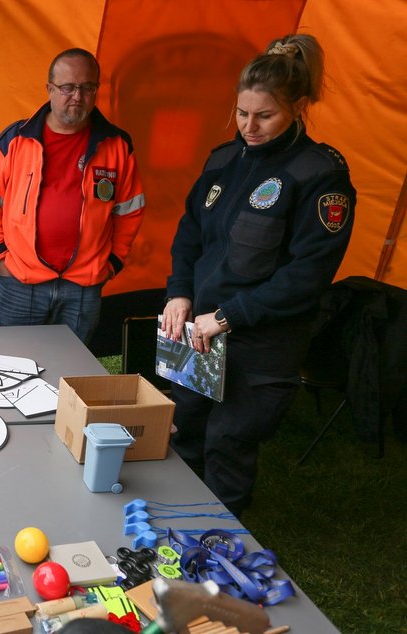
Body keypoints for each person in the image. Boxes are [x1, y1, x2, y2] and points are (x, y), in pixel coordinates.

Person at [161, 33, 355, 517]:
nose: (249, 126)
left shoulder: (320, 175)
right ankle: (173, 522)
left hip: (262, 342)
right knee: (184, 423)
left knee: (229, 440)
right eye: (242, 112)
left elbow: (307, 275)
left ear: (299, 106)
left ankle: (218, 541)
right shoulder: (223, 160)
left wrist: (227, 317)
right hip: (199, 329)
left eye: (264, 115)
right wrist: (180, 294)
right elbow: (190, 235)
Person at [0, 48, 145, 346]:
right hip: (21, 282)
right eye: (67, 87)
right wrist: (0, 259)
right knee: (12, 367)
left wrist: (111, 263)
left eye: (86, 87)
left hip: (82, 287)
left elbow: (129, 210)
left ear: (96, 90)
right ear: (50, 89)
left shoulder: (117, 146)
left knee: (70, 375)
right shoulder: (14, 141)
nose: (77, 96)